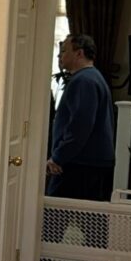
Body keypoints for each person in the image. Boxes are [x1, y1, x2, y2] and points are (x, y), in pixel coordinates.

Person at [45, 33, 115, 200]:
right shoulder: (93, 77)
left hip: (79, 164)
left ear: (79, 53)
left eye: (64, 51)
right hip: (88, 163)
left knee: (55, 214)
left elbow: (80, 126)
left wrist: (58, 157)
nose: (59, 56)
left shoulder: (84, 81)